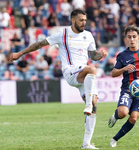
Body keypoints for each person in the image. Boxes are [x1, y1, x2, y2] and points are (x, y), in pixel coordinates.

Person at [10, 9, 108, 149]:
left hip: (84, 76)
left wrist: (100, 55)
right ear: (73, 20)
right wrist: (20, 53)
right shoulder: (63, 33)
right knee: (92, 69)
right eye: (81, 20)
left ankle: (86, 143)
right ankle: (88, 106)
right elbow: (40, 44)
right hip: (70, 71)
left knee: (94, 105)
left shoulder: (88, 35)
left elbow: (93, 55)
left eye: (85, 20)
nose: (83, 23)